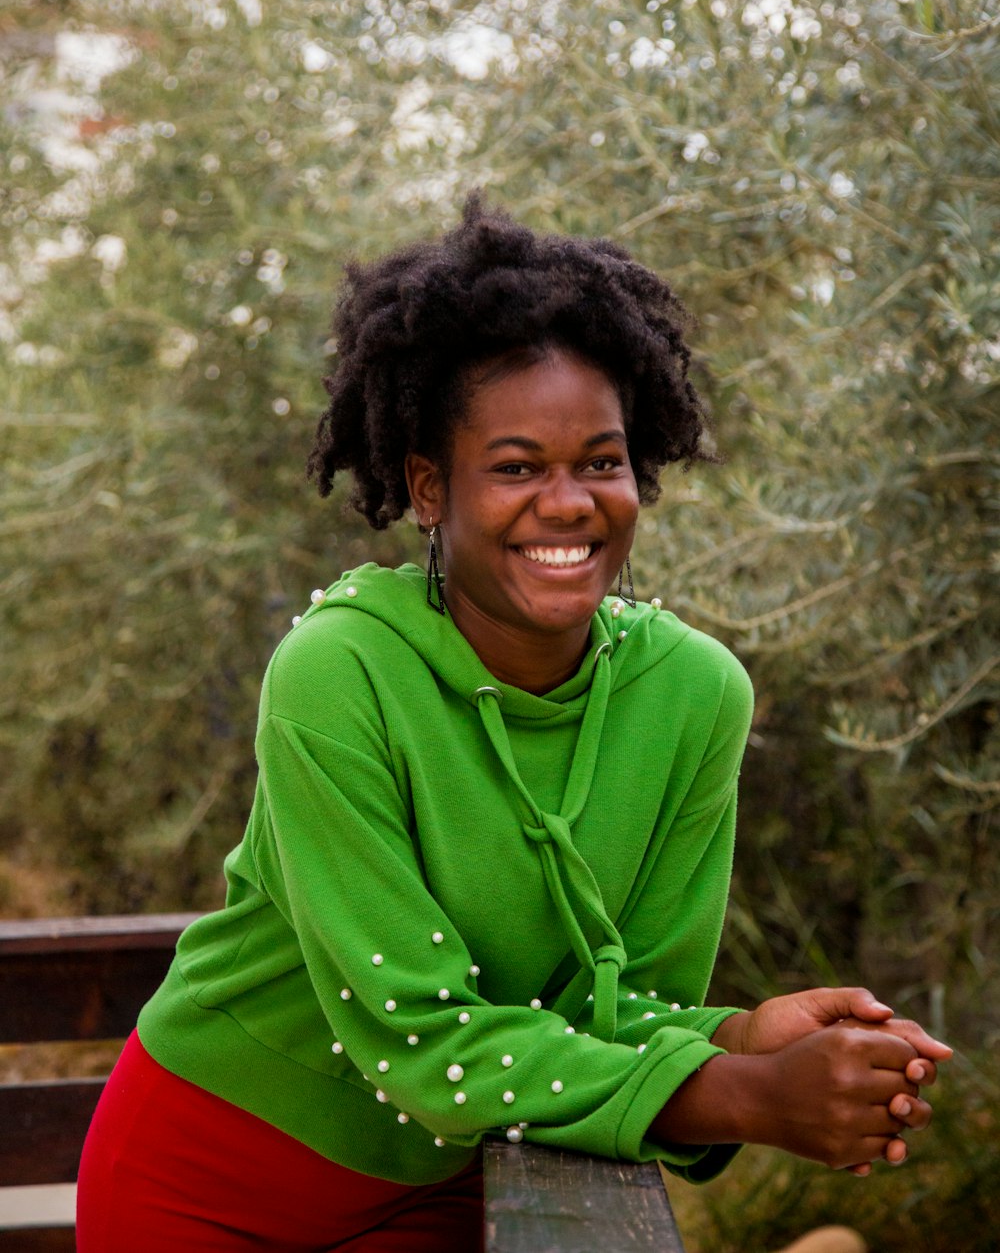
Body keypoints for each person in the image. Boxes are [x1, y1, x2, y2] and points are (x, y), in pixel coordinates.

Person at [76, 195, 950, 1251]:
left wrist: (743, 1036)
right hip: (211, 1180)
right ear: (430, 488)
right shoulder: (340, 673)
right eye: (517, 466)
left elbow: (603, 1015)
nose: (570, 501)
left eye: (600, 460)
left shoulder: (693, 696)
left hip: (462, 1177)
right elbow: (420, 1038)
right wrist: (748, 1096)